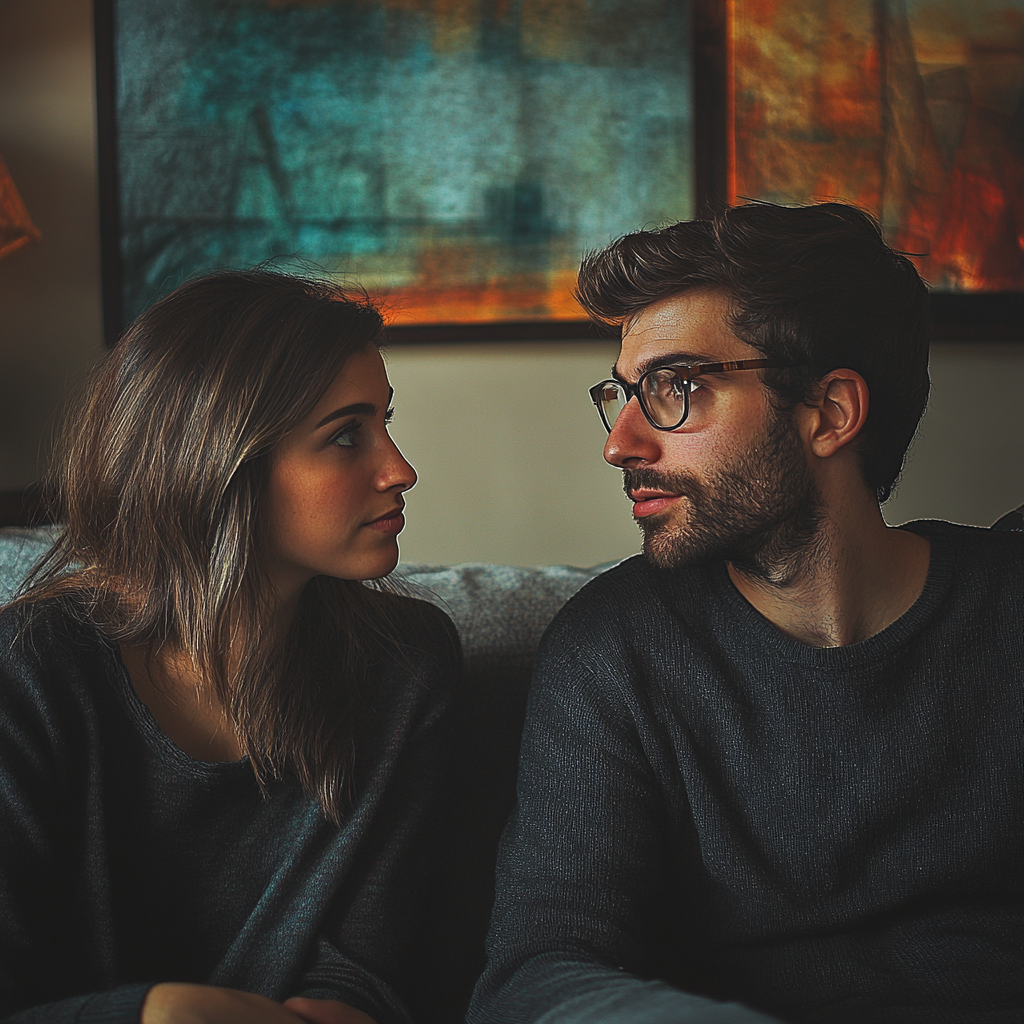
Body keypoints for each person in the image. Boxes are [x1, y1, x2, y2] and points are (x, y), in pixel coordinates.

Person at [468, 203, 1023, 1023]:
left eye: (676, 388)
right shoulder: (614, 651)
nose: (620, 442)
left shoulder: (1006, 610)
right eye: (624, 393)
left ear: (830, 413)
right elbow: (538, 971)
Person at [0, 271, 462, 1024]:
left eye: (384, 423)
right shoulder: (27, 672)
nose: (399, 469)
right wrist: (157, 1013)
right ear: (217, 463)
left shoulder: (407, 666)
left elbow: (368, 972)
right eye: (347, 435)